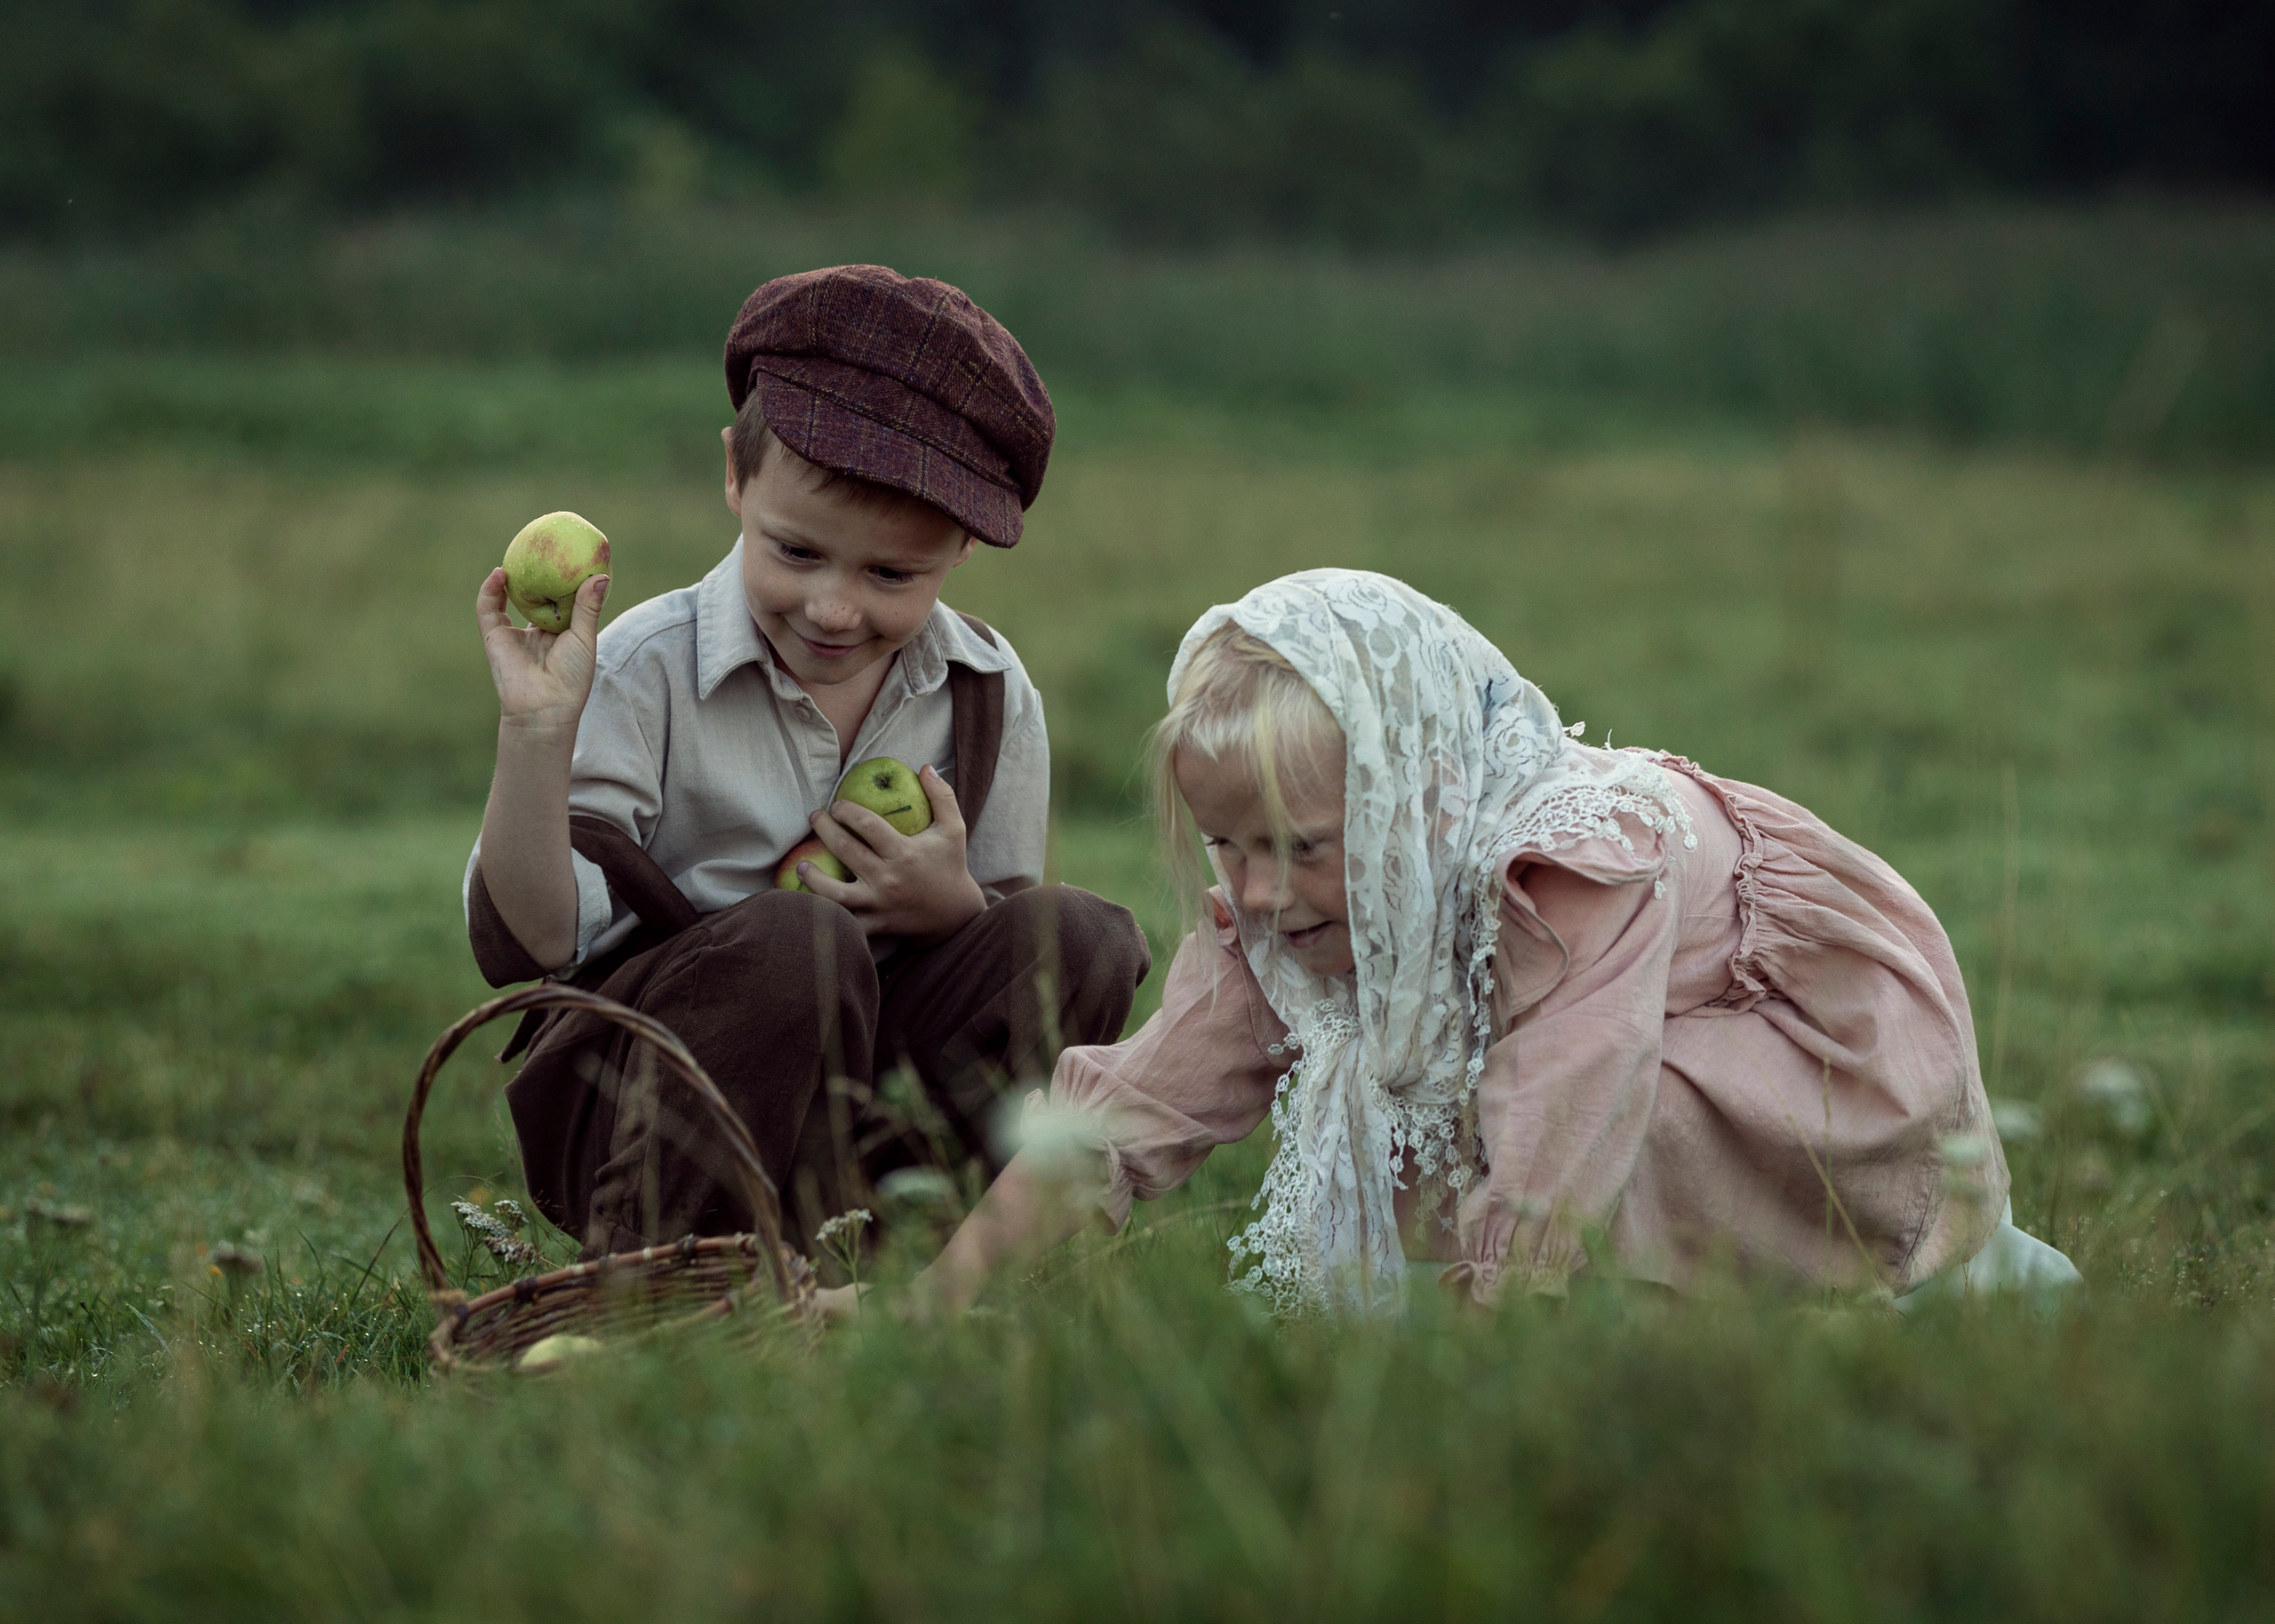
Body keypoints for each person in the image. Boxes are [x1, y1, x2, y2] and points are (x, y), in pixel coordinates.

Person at [882, 568, 2078, 1317]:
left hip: (1791, 1078)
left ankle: (1910, 1291)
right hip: (1585, 1084)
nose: (1262, 890)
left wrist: (1491, 1332)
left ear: (1413, 807)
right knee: (1428, 1111)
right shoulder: (1271, 909)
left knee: (1547, 1115)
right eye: (1228, 845)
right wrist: (934, 1302)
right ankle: (1559, 1302)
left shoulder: (1565, 867)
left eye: (1305, 846)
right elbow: (1130, 1109)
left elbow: (1576, 1092)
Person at [466, 265, 1151, 1259]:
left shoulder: (985, 688)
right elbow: (534, 942)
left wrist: (953, 910)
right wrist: (535, 733)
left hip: (870, 1117)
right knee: (796, 941)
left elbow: (1002, 958)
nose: (834, 608)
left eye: (890, 574)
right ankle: (662, 1278)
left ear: (959, 548)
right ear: (736, 481)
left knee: (1079, 937)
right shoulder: (639, 671)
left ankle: (919, 1250)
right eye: (795, 553)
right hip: (643, 1110)